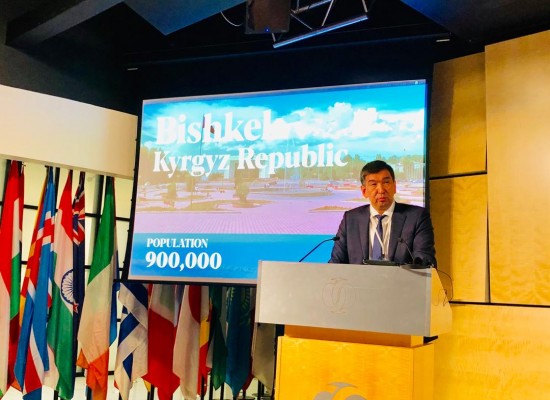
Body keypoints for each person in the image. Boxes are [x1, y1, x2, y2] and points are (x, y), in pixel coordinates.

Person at [330, 160, 436, 266]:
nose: (381, 190)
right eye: (373, 184)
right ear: (364, 191)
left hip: (399, 277)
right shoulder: (350, 219)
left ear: (394, 186)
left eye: (386, 182)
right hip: (359, 277)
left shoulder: (417, 217)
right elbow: (336, 263)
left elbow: (424, 259)